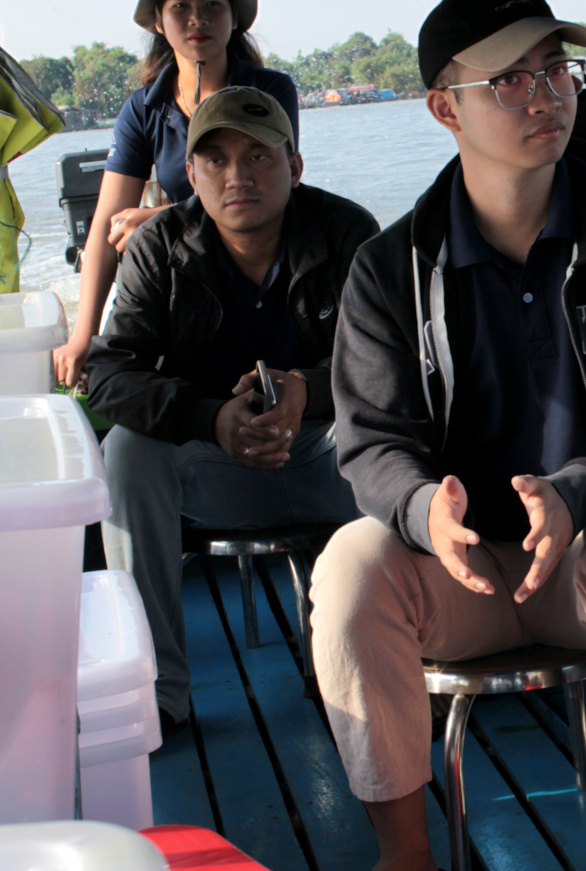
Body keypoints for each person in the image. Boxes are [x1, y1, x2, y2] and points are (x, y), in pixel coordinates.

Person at [310, 0, 586, 871]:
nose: (548, 95)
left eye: (557, 70)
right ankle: (407, 856)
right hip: (463, 578)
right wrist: (423, 515)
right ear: (444, 107)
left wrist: (581, 490)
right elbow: (369, 443)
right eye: (511, 79)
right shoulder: (389, 270)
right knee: (348, 566)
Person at [87, 87, 374, 728]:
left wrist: (306, 388)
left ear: (294, 166)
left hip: (330, 461)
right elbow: (107, 372)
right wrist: (209, 417)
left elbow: (393, 366)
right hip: (216, 468)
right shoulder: (161, 245)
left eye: (258, 156)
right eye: (214, 160)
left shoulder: (347, 232)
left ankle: (375, 667)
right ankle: (159, 693)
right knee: (125, 454)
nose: (236, 175)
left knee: (402, 438)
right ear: (190, 175)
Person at [54, 0, 300, 388]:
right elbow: (106, 224)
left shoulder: (270, 92)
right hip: (183, 275)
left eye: (212, 4)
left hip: (257, 266)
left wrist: (159, 219)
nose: (197, 19)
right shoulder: (144, 108)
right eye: (180, 6)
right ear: (157, 21)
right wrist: (82, 335)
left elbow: (277, 195)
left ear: (235, 17)